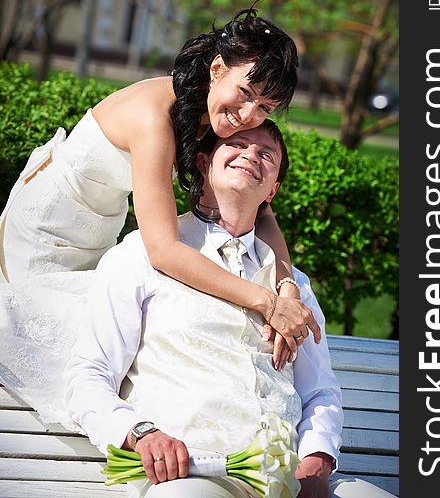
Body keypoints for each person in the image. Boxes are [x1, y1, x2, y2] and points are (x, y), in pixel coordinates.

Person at [0, 8, 319, 422]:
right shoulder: (153, 119)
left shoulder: (213, 116)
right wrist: (265, 302)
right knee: (96, 342)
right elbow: (164, 252)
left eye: (265, 107)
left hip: (98, 233)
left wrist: (286, 287)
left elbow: (263, 214)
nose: (248, 116)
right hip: (44, 236)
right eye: (245, 93)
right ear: (218, 68)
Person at [64, 122, 395, 498]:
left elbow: (319, 392)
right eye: (236, 143)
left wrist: (316, 461)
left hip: (290, 480)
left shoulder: (293, 287)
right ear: (204, 162)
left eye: (266, 154)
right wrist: (141, 433)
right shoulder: (138, 256)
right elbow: (88, 376)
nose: (252, 154)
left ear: (272, 190)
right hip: (190, 476)